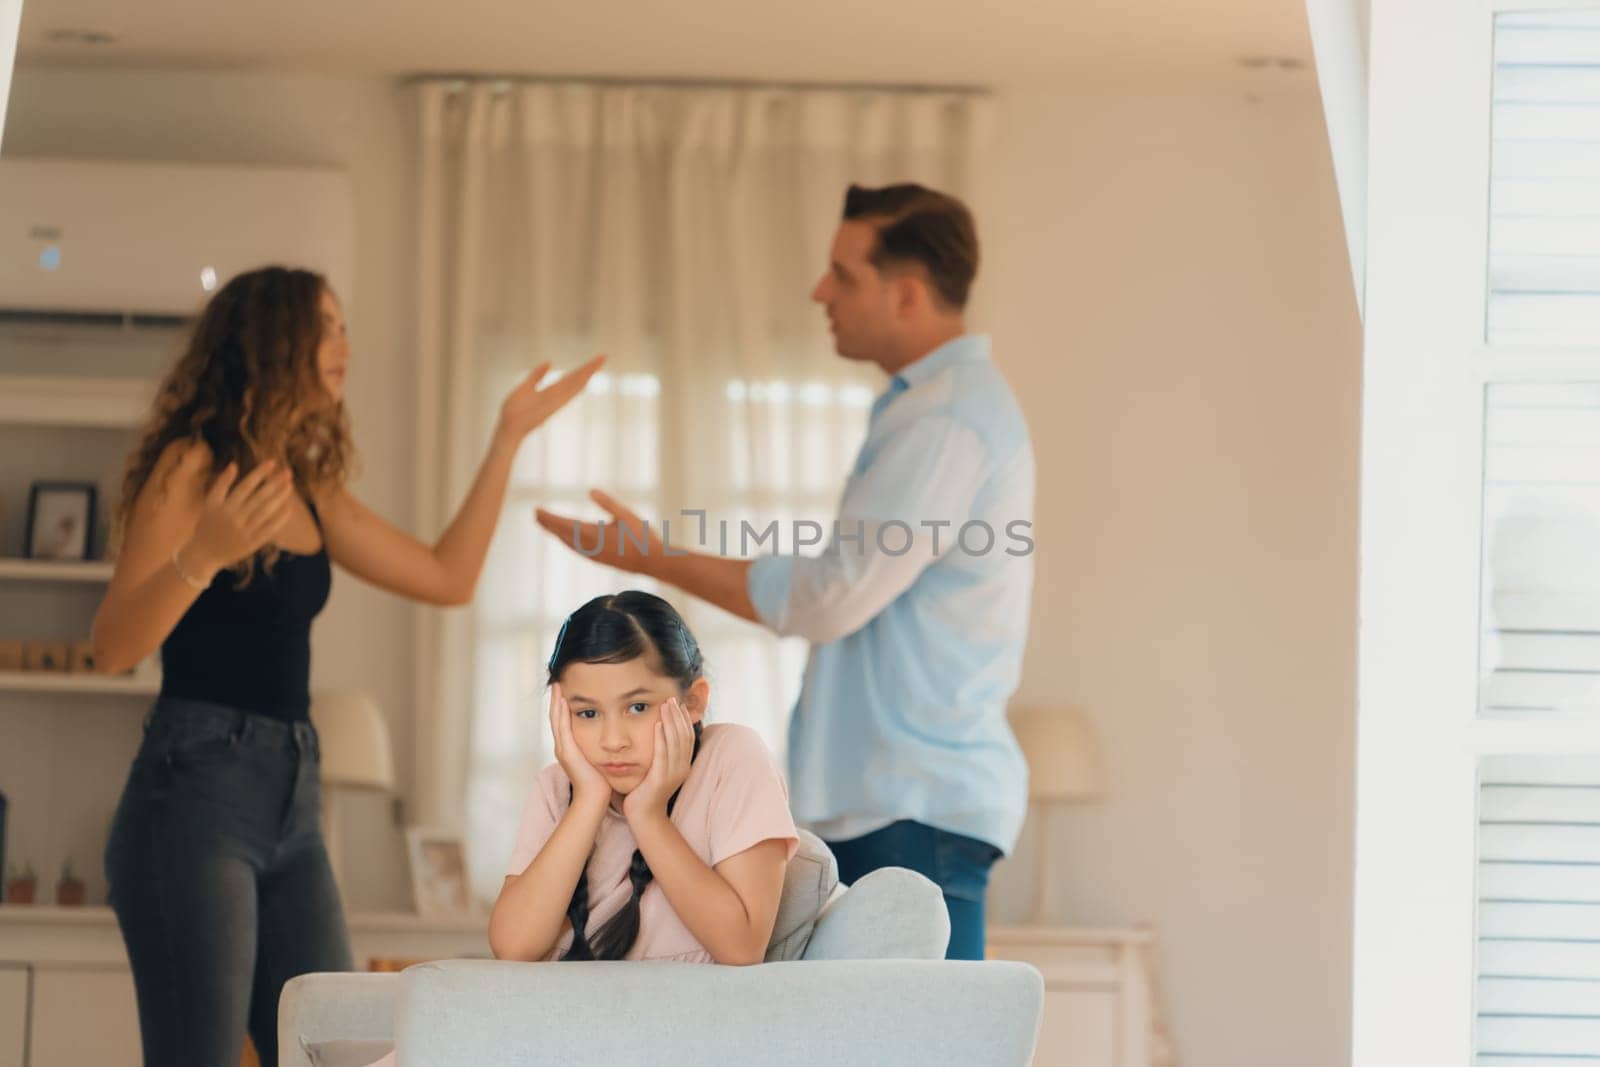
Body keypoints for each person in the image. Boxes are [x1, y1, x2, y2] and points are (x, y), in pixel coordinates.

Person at [93, 265, 602, 1067]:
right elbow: (112, 644)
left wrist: (506, 437)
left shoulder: (308, 488)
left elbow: (448, 576)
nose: (343, 346)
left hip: (293, 796)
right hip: (190, 792)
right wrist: (204, 554)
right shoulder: (194, 467)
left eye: (343, 328)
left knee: (339, 1044)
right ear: (271, 341)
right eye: (325, 328)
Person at [537, 184, 1036, 959]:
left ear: (906, 294)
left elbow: (828, 596)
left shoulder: (945, 420)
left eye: (842, 274)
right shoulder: (925, 410)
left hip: (912, 806)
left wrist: (650, 557)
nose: (819, 291)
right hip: (894, 801)